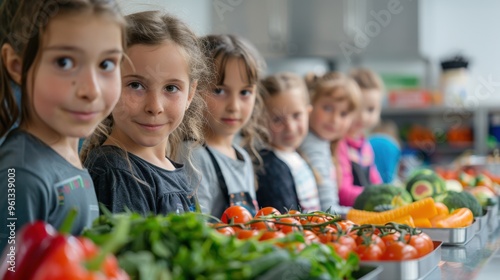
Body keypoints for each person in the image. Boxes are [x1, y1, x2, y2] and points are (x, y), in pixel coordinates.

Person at [0, 0, 126, 251]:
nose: (91, 90)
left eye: (106, 64)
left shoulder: (71, 148)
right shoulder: (22, 175)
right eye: (64, 63)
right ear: (17, 66)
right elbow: (11, 268)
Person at [81, 11, 209, 215]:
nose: (154, 106)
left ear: (190, 94)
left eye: (171, 88)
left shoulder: (172, 167)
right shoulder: (115, 173)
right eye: (135, 85)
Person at [182, 34, 266, 218]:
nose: (234, 106)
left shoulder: (241, 154)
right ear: (194, 91)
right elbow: (198, 228)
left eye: (245, 92)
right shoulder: (194, 155)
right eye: (219, 90)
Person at [256, 72, 320, 213]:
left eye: (296, 115)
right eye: (277, 119)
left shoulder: (296, 156)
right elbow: (286, 221)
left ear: (308, 113)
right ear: (261, 120)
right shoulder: (269, 168)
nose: (290, 127)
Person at [299, 72, 360, 215]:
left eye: (343, 114)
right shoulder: (313, 146)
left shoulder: (322, 143)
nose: (335, 119)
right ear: (310, 104)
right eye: (327, 108)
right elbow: (328, 210)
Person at [337, 68, 384, 206]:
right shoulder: (340, 145)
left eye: (370, 109)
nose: (363, 117)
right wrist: (378, 196)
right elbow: (343, 193)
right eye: (357, 108)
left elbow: (376, 182)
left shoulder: (365, 146)